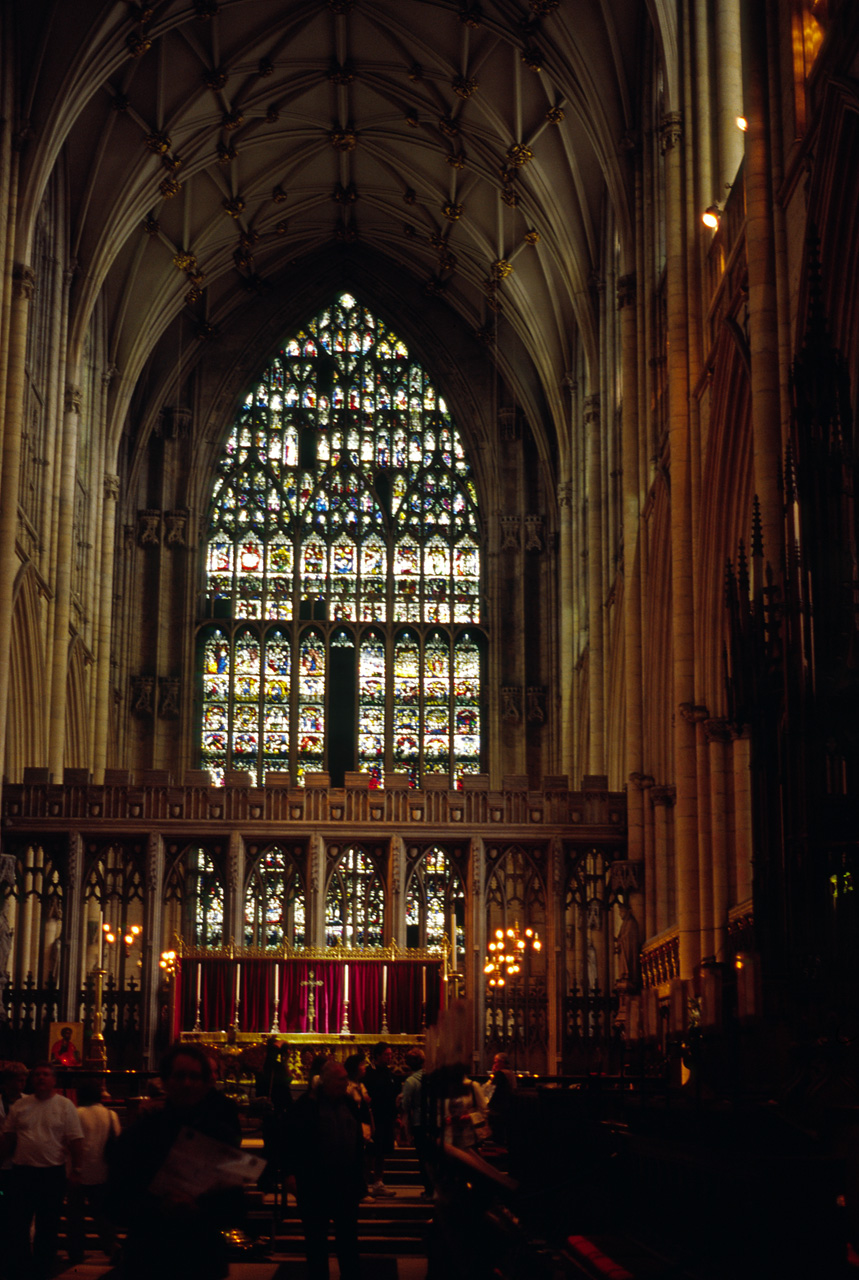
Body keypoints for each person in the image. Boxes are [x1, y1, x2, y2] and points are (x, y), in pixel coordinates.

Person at [107, 1041, 242, 1280]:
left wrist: (198, 1207)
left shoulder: (221, 1136)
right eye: (180, 1076)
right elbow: (114, 1199)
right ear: (165, 1080)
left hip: (202, 1254)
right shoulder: (140, 1134)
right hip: (150, 1254)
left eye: (194, 1077)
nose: (187, 1084)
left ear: (206, 1083)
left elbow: (236, 1206)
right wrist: (159, 1206)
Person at [0, 1060, 84, 1279]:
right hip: (22, 1172)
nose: (40, 1078)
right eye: (37, 1074)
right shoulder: (21, 1106)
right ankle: (20, 1267)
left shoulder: (64, 1106)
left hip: (51, 1173)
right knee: (18, 1223)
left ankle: (42, 1269)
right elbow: (8, 1138)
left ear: (54, 1080)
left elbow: (75, 1140)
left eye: (45, 1074)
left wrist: (77, 1169)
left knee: (48, 1225)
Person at [287, 1058, 365, 1280]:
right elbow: (292, 1142)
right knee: (316, 1241)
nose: (345, 1084)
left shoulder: (348, 1103)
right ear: (328, 1082)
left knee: (348, 1239)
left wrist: (360, 1178)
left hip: (346, 1183)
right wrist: (291, 1173)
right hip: (315, 1184)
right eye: (341, 1081)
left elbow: (357, 1140)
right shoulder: (306, 1106)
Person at [65, 1077, 120, 1264]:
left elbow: (70, 1142)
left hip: (76, 1172)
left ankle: (75, 1252)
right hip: (102, 1171)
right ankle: (111, 1245)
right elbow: (117, 1140)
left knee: (75, 1216)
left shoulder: (76, 1113)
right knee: (102, 1215)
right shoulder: (110, 1115)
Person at [363, 1041, 400, 1198]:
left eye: (390, 1054)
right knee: (370, 1152)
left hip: (386, 1118)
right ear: (377, 1055)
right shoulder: (369, 1072)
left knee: (381, 1153)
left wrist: (396, 1116)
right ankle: (364, 1183)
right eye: (386, 1054)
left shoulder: (388, 1072)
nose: (389, 1057)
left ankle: (379, 1182)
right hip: (373, 1118)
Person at [400, 1048, 432, 1197]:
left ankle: (428, 1188)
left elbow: (405, 1105)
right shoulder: (432, 1077)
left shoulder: (411, 1081)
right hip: (434, 1121)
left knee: (423, 1157)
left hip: (419, 1122)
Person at [485, 1052, 517, 1145]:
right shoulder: (510, 1073)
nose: (494, 1065)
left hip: (497, 1109)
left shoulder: (500, 1074)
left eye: (496, 1062)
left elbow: (490, 1091)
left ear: (502, 1062)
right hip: (508, 1108)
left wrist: (493, 1075)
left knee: (496, 1135)